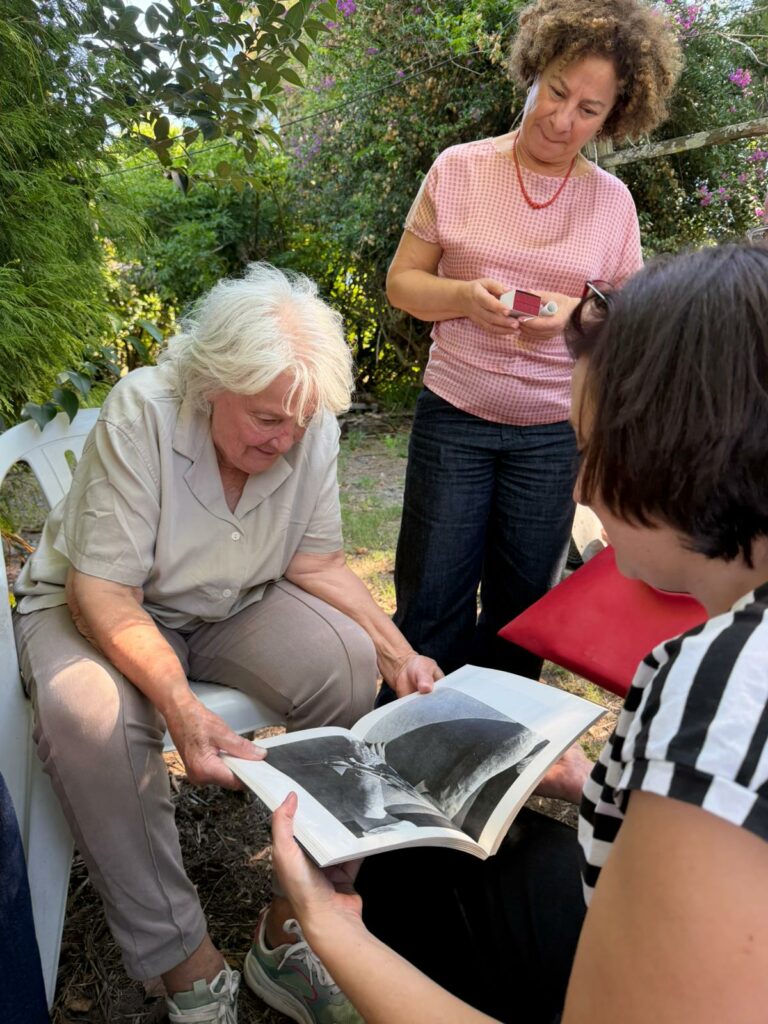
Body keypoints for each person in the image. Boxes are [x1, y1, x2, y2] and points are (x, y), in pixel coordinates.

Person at [269, 241, 768, 1024]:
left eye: (590, 450)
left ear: (681, 454)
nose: (580, 487)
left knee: (399, 874)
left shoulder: (725, 684)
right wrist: (593, 784)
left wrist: (332, 931)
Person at [12, 263, 441, 1024]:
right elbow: (102, 593)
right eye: (267, 419)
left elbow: (317, 563)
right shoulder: (144, 409)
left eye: (298, 423)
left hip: (233, 599)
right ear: (213, 383)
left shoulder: (307, 422)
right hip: (98, 601)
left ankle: (297, 927)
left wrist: (395, 651)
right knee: (90, 716)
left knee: (344, 664)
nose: (285, 439)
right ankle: (188, 969)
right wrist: (181, 707)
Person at [382, 0, 682, 699]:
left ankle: (499, 756)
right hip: (454, 418)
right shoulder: (458, 169)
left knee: (519, 620)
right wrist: (463, 297)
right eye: (556, 92)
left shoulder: (613, 204)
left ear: (613, 117)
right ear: (533, 71)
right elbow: (402, 284)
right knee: (430, 608)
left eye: (588, 110)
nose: (562, 119)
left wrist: (576, 315)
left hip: (552, 436)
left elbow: (629, 321)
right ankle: (404, 753)